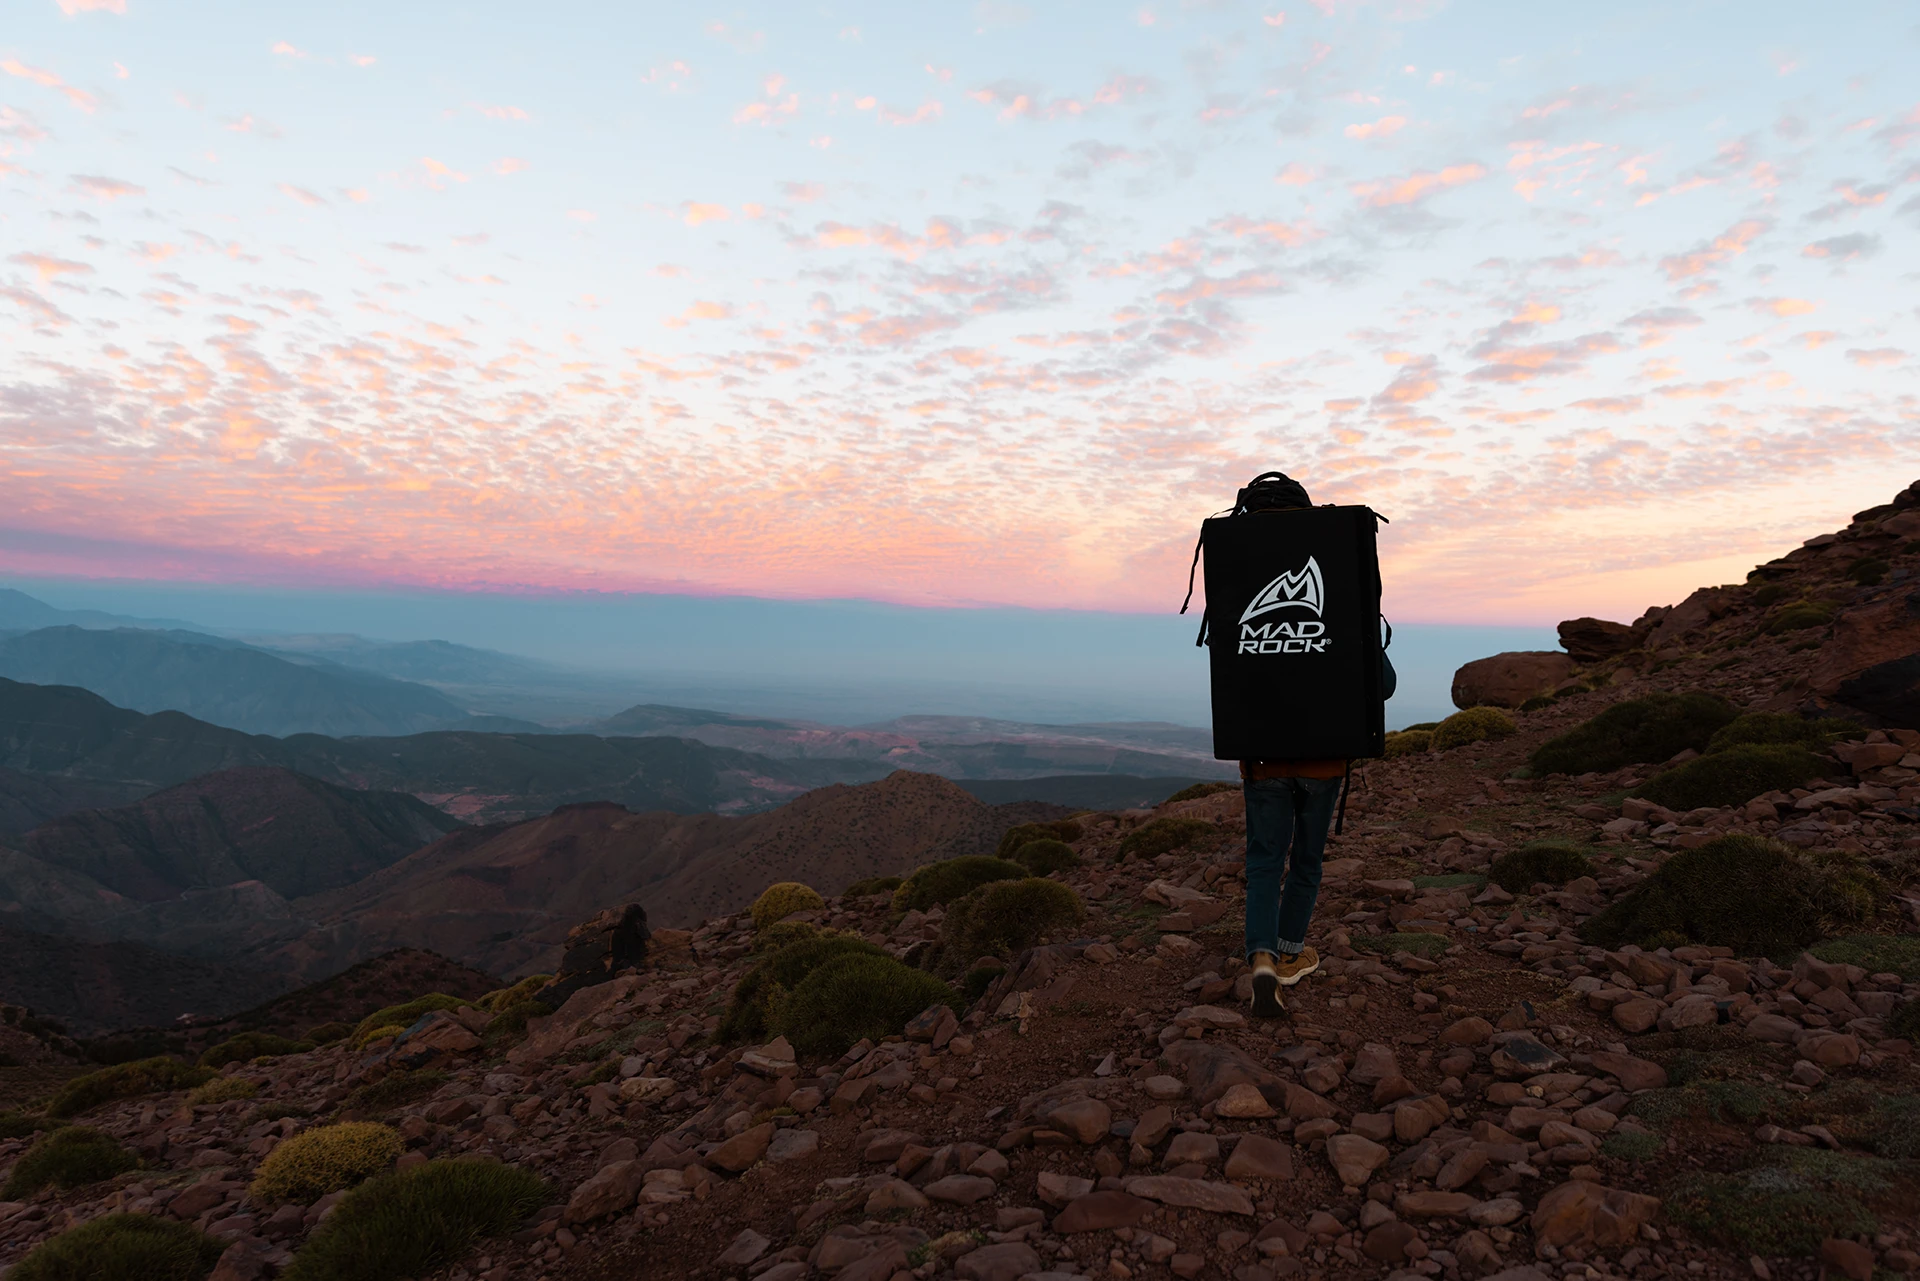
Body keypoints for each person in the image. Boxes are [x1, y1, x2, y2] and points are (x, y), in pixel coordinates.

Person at [1242, 758, 1341, 1017]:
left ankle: (1263, 956)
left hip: (1266, 763)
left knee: (1264, 864)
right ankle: (1288, 954)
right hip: (1321, 765)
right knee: (1307, 860)